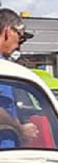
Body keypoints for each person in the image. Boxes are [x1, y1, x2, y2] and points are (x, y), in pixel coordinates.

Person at [0, 8, 39, 145]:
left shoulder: (6, 67)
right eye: (20, 38)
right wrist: (20, 129)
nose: (18, 46)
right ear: (7, 31)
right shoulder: (3, 68)